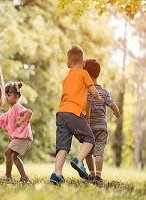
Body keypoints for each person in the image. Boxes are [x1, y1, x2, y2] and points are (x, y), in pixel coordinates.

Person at [49, 44, 103, 185]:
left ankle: (57, 174)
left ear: (68, 64)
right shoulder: (84, 73)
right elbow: (94, 92)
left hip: (61, 113)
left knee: (62, 146)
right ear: (83, 63)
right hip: (74, 111)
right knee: (89, 139)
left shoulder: (67, 78)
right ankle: (78, 160)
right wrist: (98, 98)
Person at [84, 59, 120, 183]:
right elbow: (112, 104)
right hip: (102, 128)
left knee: (88, 152)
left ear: (86, 75)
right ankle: (98, 176)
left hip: (89, 127)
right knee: (99, 151)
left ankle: (92, 174)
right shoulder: (104, 92)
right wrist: (116, 111)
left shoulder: (86, 91)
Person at [0, 82, 33, 182]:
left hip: (23, 136)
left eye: (9, 95)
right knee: (13, 156)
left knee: (7, 152)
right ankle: (24, 177)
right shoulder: (11, 110)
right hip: (22, 137)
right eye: (5, 95)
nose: (6, 97)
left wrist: (21, 121)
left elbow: (28, 112)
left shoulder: (17, 107)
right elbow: (1, 119)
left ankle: (8, 176)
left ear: (17, 96)